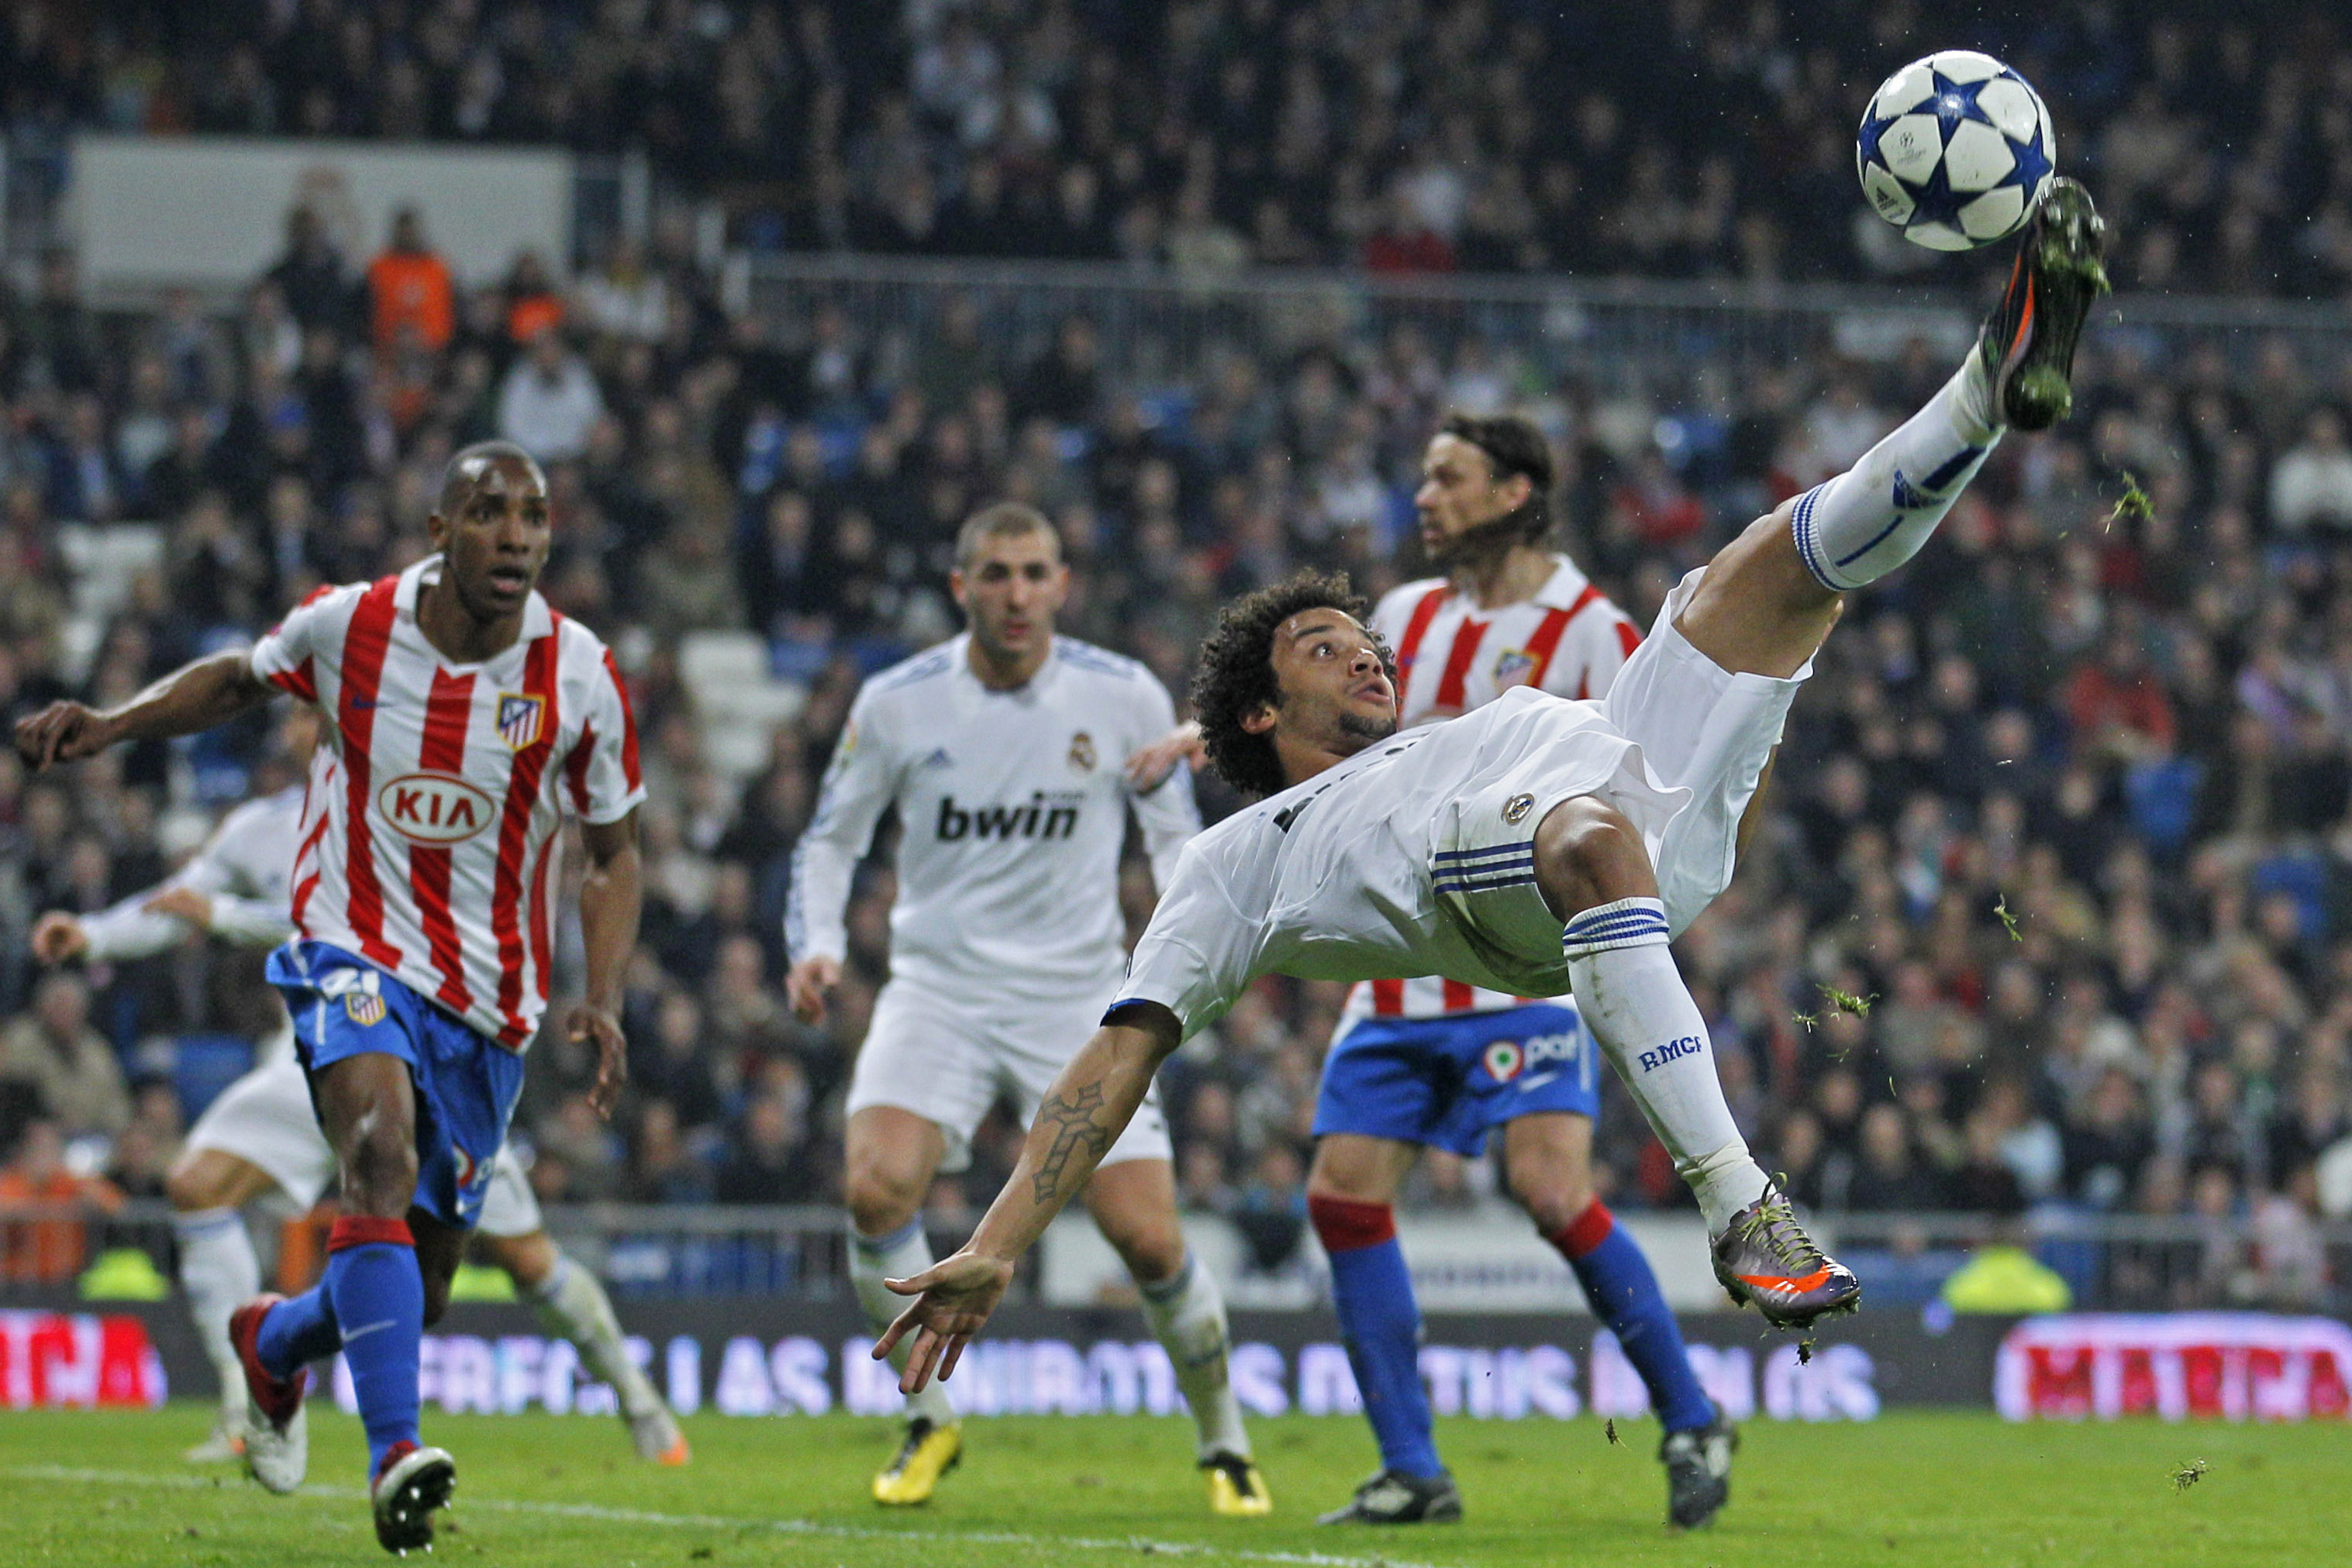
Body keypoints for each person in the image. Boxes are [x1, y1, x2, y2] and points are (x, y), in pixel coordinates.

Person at [874, 182, 2111, 1402]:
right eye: (1320, 645)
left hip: (1624, 777)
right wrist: (999, 1234)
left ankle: (1985, 389)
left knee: (1777, 566)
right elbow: (1109, 1057)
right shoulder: (1235, 862)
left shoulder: (1451, 723)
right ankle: (1743, 1207)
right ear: (1256, 712)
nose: (1364, 649)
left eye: (1359, 637)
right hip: (1512, 874)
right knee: (1583, 835)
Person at [15, 440, 645, 1556]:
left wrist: (604, 992)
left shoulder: (581, 672)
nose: (514, 533)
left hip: (489, 999)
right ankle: (395, 1452)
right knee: (377, 1154)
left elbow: (611, 849)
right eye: (488, 511)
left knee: (428, 1279)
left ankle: (273, 1341)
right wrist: (110, 722)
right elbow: (237, 679)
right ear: (438, 528)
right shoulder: (351, 623)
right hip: (348, 944)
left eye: (533, 515)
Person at [1151, 412, 1735, 1527]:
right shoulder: (1408, 617)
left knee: (1549, 1187)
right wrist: (1214, 735)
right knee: (1340, 1194)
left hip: (1522, 956)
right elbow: (1349, 747)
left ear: (1516, 492)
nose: (1423, 496)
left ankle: (1689, 1409)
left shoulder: (1589, 626)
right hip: (1401, 963)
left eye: (1448, 476)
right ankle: (1411, 1465)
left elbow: (1634, 779)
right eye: (1421, 475)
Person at [26, 707, 686, 1469]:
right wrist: (96, 934)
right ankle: (249, 1410)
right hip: (314, 1051)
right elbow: (185, 900)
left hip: (418, 1059)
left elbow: (357, 930)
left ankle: (638, 1398)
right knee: (195, 1182)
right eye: (307, 710)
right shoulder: (256, 827)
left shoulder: (414, 811)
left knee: (506, 1265)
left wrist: (230, 917)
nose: (313, 723)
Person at [785, 502, 1269, 1515]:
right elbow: (830, 837)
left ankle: (1224, 1442)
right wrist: (816, 940)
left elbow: (1174, 849)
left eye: (1033, 572)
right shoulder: (897, 701)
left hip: (1076, 997)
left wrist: (1175, 972)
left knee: (1148, 1239)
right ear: (960, 585)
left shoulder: (1122, 693)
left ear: (1061, 584)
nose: (1015, 593)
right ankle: (928, 1421)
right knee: (874, 1191)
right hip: (938, 989)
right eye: (994, 574)